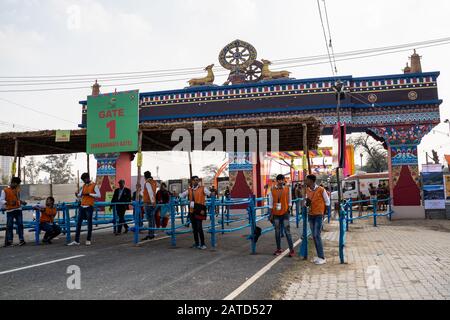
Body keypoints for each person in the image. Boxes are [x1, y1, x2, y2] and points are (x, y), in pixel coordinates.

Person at [178, 176, 214, 250]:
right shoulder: (189, 190)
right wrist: (176, 195)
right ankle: (197, 243)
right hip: (192, 211)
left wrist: (212, 194)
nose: (196, 181)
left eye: (197, 180)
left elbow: (209, 194)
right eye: (194, 180)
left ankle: (203, 244)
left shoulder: (203, 188)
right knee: (194, 228)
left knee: (199, 227)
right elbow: (182, 195)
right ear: (191, 181)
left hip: (199, 211)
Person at [68, 173, 100, 246]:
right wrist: (77, 194)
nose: (84, 181)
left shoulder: (94, 185)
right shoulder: (84, 186)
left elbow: (99, 195)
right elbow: (80, 195)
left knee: (89, 224)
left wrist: (90, 194)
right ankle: (76, 240)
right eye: (83, 180)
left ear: (88, 178)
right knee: (78, 223)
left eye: (84, 179)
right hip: (82, 206)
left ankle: (88, 239)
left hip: (89, 206)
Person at [305, 174, 330, 265]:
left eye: (307, 180)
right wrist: (306, 203)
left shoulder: (321, 190)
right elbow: (307, 200)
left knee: (316, 235)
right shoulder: (307, 190)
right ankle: (319, 256)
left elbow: (327, 201)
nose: (306, 181)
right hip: (311, 215)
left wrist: (325, 213)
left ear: (312, 181)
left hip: (319, 215)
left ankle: (322, 257)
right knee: (314, 236)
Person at [268, 174, 295, 257]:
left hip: (285, 213)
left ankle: (291, 250)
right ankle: (279, 249)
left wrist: (289, 209)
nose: (280, 181)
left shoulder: (287, 189)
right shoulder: (272, 190)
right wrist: (270, 214)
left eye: (282, 180)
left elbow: (290, 201)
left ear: (284, 180)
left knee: (287, 232)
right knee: (277, 232)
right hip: (276, 214)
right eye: (279, 180)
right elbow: (270, 203)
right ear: (277, 181)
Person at [1, 177, 27, 247]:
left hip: (18, 210)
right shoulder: (5, 190)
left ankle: (21, 240)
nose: (18, 185)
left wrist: (22, 202)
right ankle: (10, 241)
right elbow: (2, 200)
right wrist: (9, 203)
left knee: (20, 225)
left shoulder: (17, 190)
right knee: (10, 226)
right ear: (13, 183)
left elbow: (17, 199)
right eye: (17, 184)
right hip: (10, 211)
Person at [142, 171, 158, 241]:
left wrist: (152, 202)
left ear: (145, 176)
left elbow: (150, 192)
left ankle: (150, 234)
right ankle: (152, 233)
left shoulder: (147, 183)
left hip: (148, 203)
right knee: (152, 219)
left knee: (149, 219)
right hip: (152, 202)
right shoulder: (154, 182)